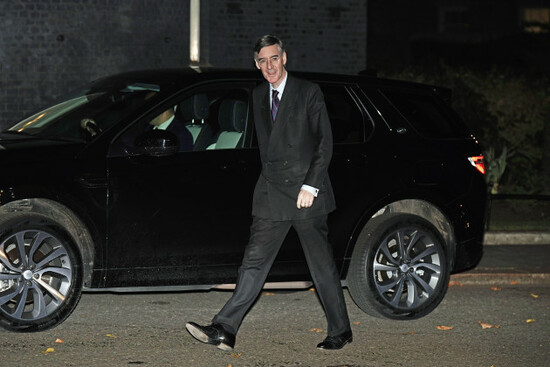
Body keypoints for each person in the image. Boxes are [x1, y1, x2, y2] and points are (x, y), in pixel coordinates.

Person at [185, 35, 352, 351]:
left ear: (284, 58)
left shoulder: (307, 92)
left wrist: (311, 185)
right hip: (273, 192)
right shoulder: (258, 94)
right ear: (256, 64)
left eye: (274, 58)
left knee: (321, 266)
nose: (269, 66)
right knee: (253, 262)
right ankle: (225, 328)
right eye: (262, 61)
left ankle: (341, 330)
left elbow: (324, 143)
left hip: (306, 192)